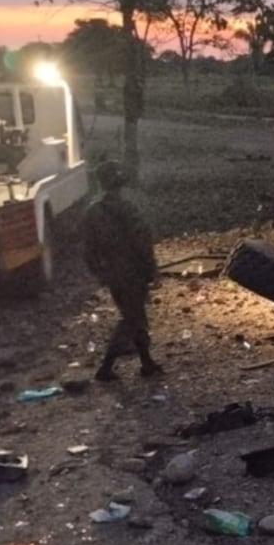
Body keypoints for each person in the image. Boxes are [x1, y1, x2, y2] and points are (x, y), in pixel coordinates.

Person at [82, 161, 162, 381]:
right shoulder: (128, 208)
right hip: (132, 272)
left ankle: (146, 361)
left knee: (135, 316)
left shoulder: (93, 212)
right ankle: (106, 366)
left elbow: (89, 249)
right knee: (132, 317)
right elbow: (142, 242)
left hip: (112, 273)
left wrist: (100, 273)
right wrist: (153, 270)